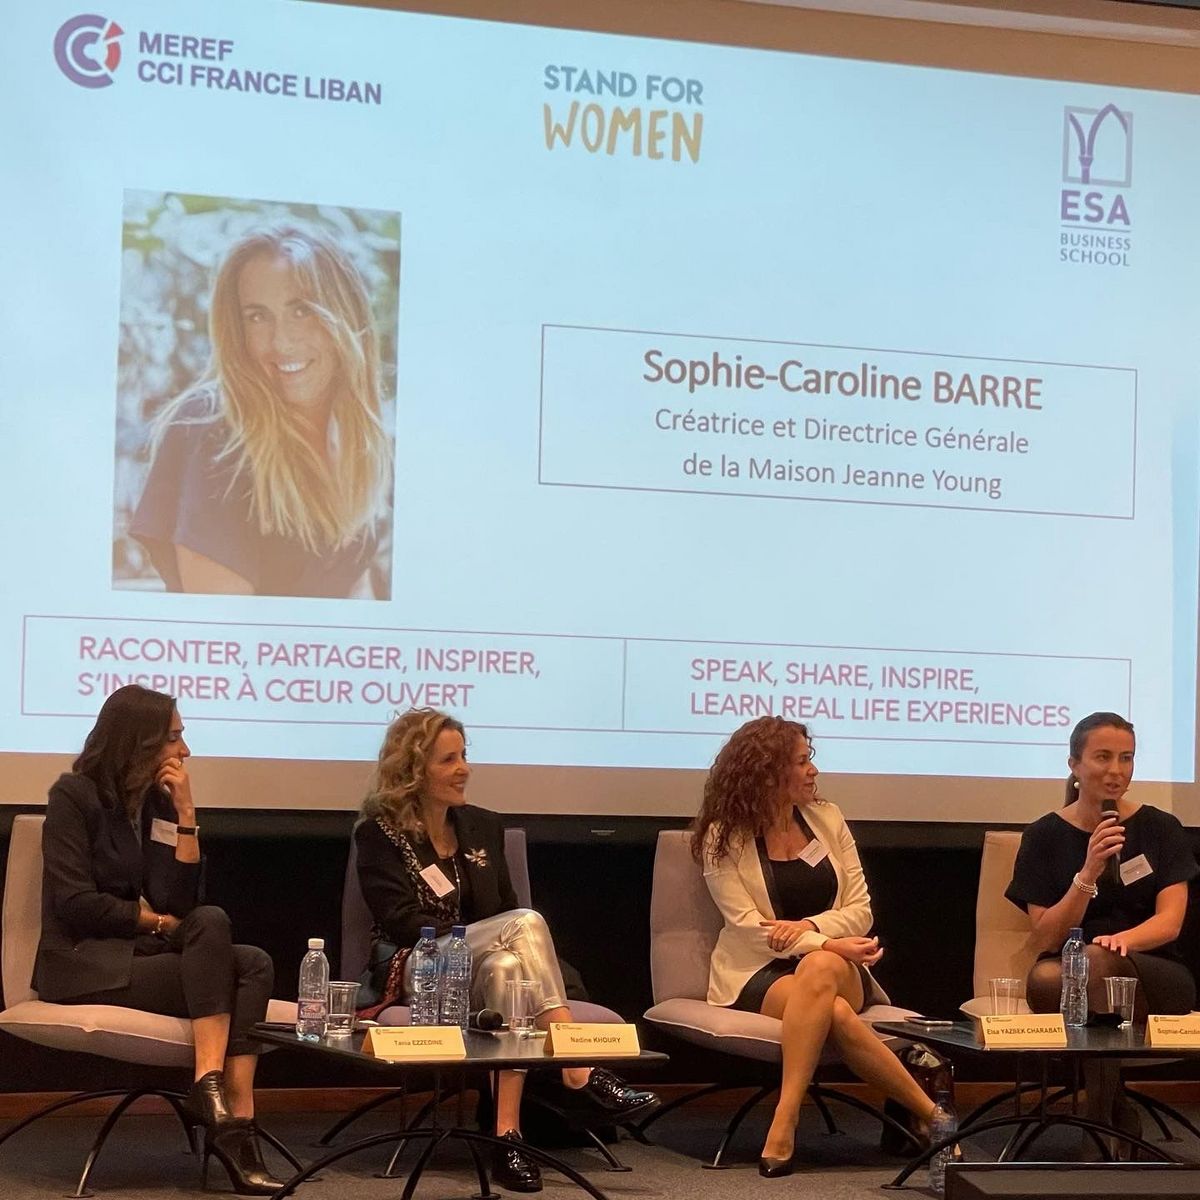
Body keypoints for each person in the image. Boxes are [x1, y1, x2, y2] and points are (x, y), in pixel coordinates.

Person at [354, 708, 659, 1193]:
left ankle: (506, 1138)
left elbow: (503, 909)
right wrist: (477, 935)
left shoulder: (482, 827)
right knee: (524, 924)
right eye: (448, 760)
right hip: (418, 964)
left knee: (505, 965)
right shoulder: (379, 833)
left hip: (478, 966)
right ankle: (578, 1069)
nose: (464, 768)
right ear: (413, 770)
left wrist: (486, 940)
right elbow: (401, 921)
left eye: (464, 755)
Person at [33, 685, 281, 1195]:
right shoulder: (73, 798)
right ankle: (233, 1124)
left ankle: (222, 1101)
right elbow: (75, 903)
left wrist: (187, 817)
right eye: (173, 737)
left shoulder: (155, 804)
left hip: (139, 956)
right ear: (137, 741)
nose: (184, 750)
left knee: (247, 955)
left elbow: (181, 904)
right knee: (232, 958)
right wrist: (158, 925)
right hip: (83, 963)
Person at [692, 715, 935, 1178]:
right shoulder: (723, 837)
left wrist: (809, 928)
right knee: (834, 1011)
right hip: (758, 971)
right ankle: (934, 1115)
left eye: (810, 759)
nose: (813, 770)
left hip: (837, 969)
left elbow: (861, 910)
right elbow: (748, 927)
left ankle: (784, 1118)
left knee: (820, 967)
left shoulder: (828, 818)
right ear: (768, 772)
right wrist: (829, 943)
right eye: (802, 762)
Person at [130, 222, 392, 599]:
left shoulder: (360, 433)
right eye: (257, 316)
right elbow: (222, 623)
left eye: (302, 310)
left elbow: (355, 588)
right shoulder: (212, 424)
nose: (280, 342)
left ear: (346, 315)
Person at [1005, 711, 1197, 1134]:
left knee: (1092, 962)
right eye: (1103, 757)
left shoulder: (1160, 828)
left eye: (1126, 758)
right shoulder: (1043, 835)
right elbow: (1047, 936)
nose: (1116, 770)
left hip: (1153, 972)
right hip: (1069, 973)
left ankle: (1097, 1119)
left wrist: (1118, 941)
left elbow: (1169, 923)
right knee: (1049, 976)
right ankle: (1114, 1106)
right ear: (1074, 765)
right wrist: (1088, 872)